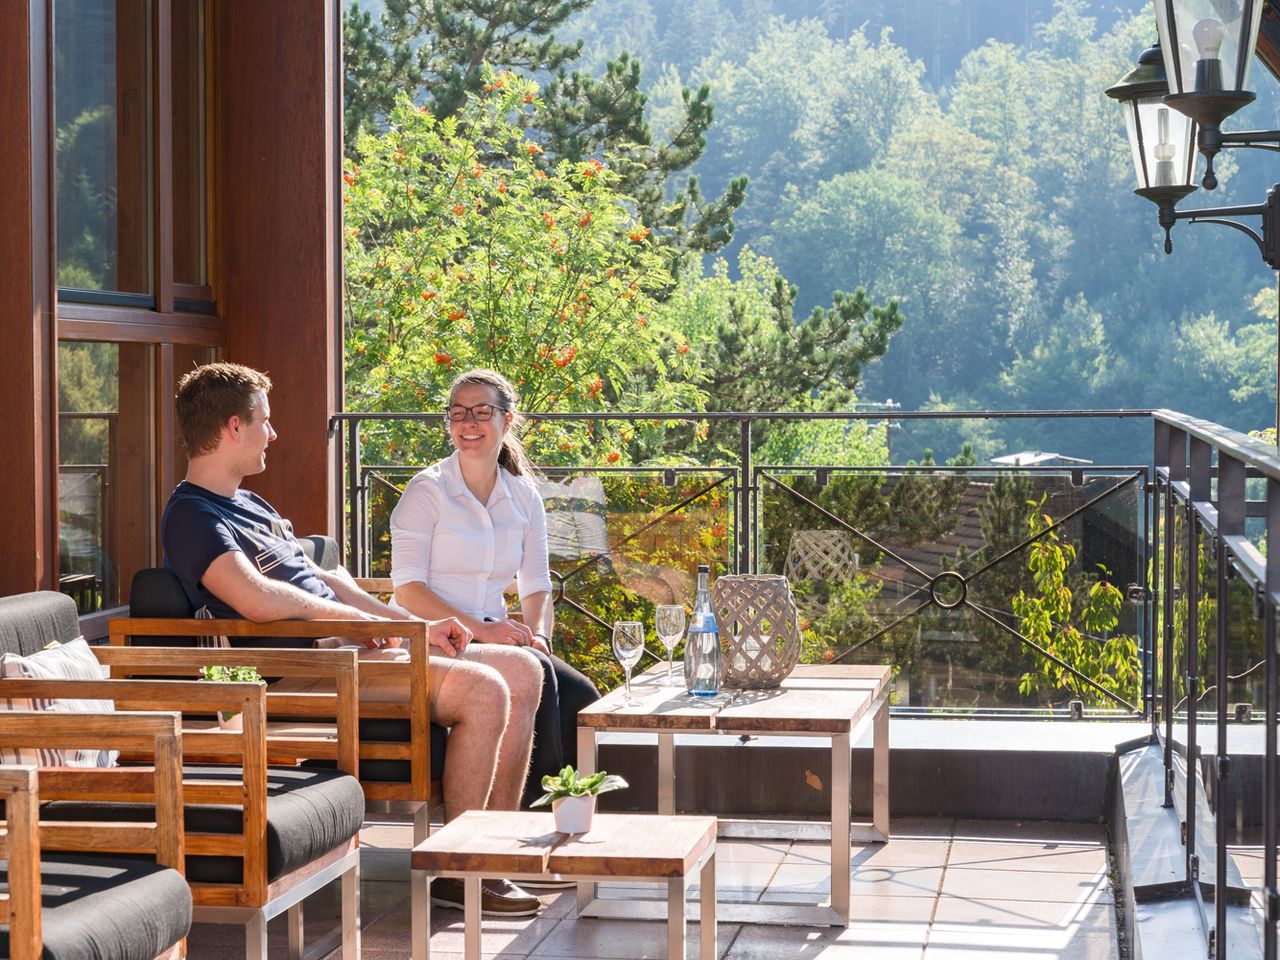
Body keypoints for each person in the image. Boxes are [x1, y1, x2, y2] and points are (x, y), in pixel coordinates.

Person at [160, 362, 544, 918]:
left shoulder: (250, 504)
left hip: (347, 651)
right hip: (302, 675)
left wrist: (409, 628)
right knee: (484, 689)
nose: (273, 433)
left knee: (523, 670)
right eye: (264, 422)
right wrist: (364, 630)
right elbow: (257, 599)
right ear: (232, 428)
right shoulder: (193, 516)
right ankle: (461, 873)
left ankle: (490, 858)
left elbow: (331, 579)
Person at [389, 369, 600, 811]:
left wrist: (539, 636)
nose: (469, 423)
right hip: (427, 640)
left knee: (581, 695)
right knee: (528, 676)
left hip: (489, 639)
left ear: (507, 421)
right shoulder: (427, 491)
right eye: (458, 413)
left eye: (482, 412)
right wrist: (484, 631)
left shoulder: (524, 496)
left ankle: (548, 821)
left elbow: (537, 586)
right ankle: (495, 835)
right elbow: (408, 590)